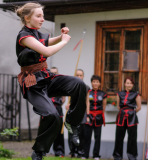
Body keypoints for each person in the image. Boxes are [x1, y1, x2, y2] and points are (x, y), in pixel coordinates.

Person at [15, 3, 87, 160]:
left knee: (79, 84)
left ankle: (72, 124)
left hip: (46, 77)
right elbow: (46, 51)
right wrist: (65, 41)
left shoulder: (36, 34)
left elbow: (48, 42)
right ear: (27, 18)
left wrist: (61, 37)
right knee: (53, 115)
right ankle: (39, 151)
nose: (42, 19)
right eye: (38, 16)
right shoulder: (24, 36)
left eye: (43, 16)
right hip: (33, 84)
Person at [113, 77, 141, 160]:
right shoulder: (119, 94)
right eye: (127, 83)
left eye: (130, 83)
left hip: (132, 118)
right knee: (119, 137)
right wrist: (124, 112)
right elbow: (118, 106)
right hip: (121, 117)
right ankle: (117, 157)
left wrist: (131, 113)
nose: (129, 85)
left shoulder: (136, 94)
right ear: (124, 84)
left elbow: (139, 107)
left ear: (133, 85)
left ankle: (132, 157)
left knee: (132, 138)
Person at [66, 69, 90, 158]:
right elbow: (69, 100)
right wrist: (67, 105)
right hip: (73, 111)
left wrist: (87, 115)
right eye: (77, 75)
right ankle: (72, 152)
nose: (79, 77)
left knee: (81, 133)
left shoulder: (86, 87)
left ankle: (80, 152)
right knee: (71, 132)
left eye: (81, 75)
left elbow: (87, 102)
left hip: (82, 113)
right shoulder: (71, 86)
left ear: (83, 76)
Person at [83, 75, 107, 160]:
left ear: (100, 83)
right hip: (89, 116)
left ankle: (96, 155)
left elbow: (104, 107)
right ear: (91, 82)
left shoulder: (103, 94)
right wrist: (88, 115)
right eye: (94, 81)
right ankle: (85, 155)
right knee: (87, 136)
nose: (95, 83)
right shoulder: (89, 92)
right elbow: (87, 104)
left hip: (98, 118)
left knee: (97, 137)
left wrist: (100, 115)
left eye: (97, 82)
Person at [50, 67, 65, 157]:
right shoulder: (46, 83)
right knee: (45, 130)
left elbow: (63, 99)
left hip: (58, 109)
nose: (53, 74)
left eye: (55, 72)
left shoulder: (61, 84)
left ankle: (59, 151)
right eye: (52, 73)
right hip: (47, 109)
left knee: (59, 131)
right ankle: (41, 151)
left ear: (57, 73)